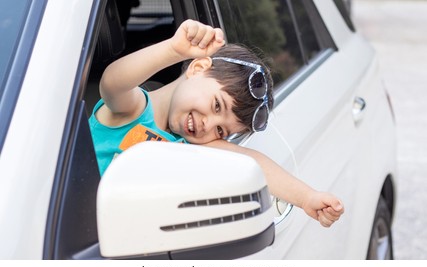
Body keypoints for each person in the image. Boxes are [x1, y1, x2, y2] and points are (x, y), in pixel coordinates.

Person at [89, 19, 344, 227]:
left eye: (221, 131)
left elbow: (253, 163)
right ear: (198, 67)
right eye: (217, 105)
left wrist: (307, 197)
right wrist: (174, 51)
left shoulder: (191, 146)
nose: (208, 125)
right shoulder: (134, 110)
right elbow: (112, 84)